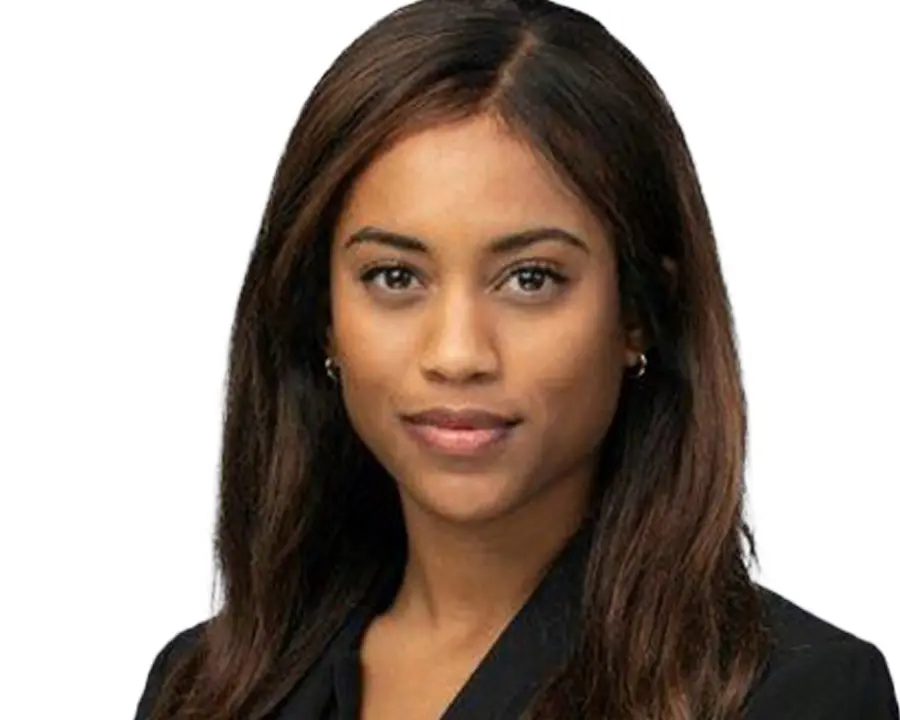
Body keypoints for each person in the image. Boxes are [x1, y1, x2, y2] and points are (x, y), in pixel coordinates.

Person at [133, 1, 898, 718]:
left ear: (639, 313)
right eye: (394, 277)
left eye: (530, 279)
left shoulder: (796, 695)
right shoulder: (204, 686)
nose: (457, 354)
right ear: (322, 316)